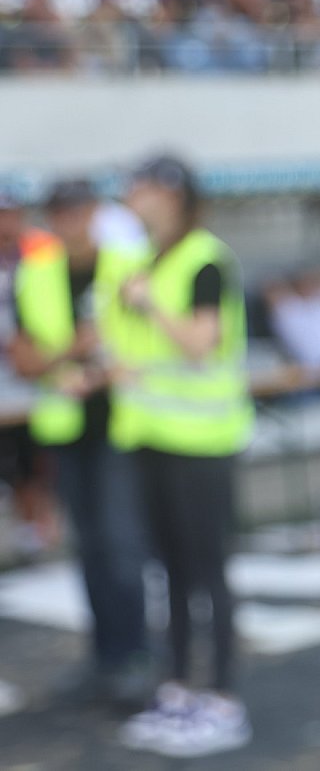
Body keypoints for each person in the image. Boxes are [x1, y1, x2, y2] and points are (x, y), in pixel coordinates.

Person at [104, 155, 253, 758]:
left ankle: (223, 695)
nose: (131, 198)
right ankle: (180, 687)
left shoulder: (203, 260)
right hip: (153, 436)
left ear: (170, 195)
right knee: (170, 570)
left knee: (208, 571)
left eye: (140, 188)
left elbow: (200, 342)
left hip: (203, 442)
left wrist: (149, 306)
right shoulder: (147, 258)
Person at [9, 179, 151, 708]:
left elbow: (145, 348)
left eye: (78, 212)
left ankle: (136, 654)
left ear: (93, 213)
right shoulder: (36, 272)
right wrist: (70, 353)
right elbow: (24, 358)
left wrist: (99, 367)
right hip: (67, 428)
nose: (70, 224)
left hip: (121, 425)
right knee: (89, 546)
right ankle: (106, 655)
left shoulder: (126, 265)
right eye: (60, 214)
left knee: (121, 544)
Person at [0, 190, 60, 559]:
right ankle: (28, 529)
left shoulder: (40, 252)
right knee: (12, 461)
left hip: (36, 375)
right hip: (6, 379)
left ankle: (42, 529)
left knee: (37, 459)